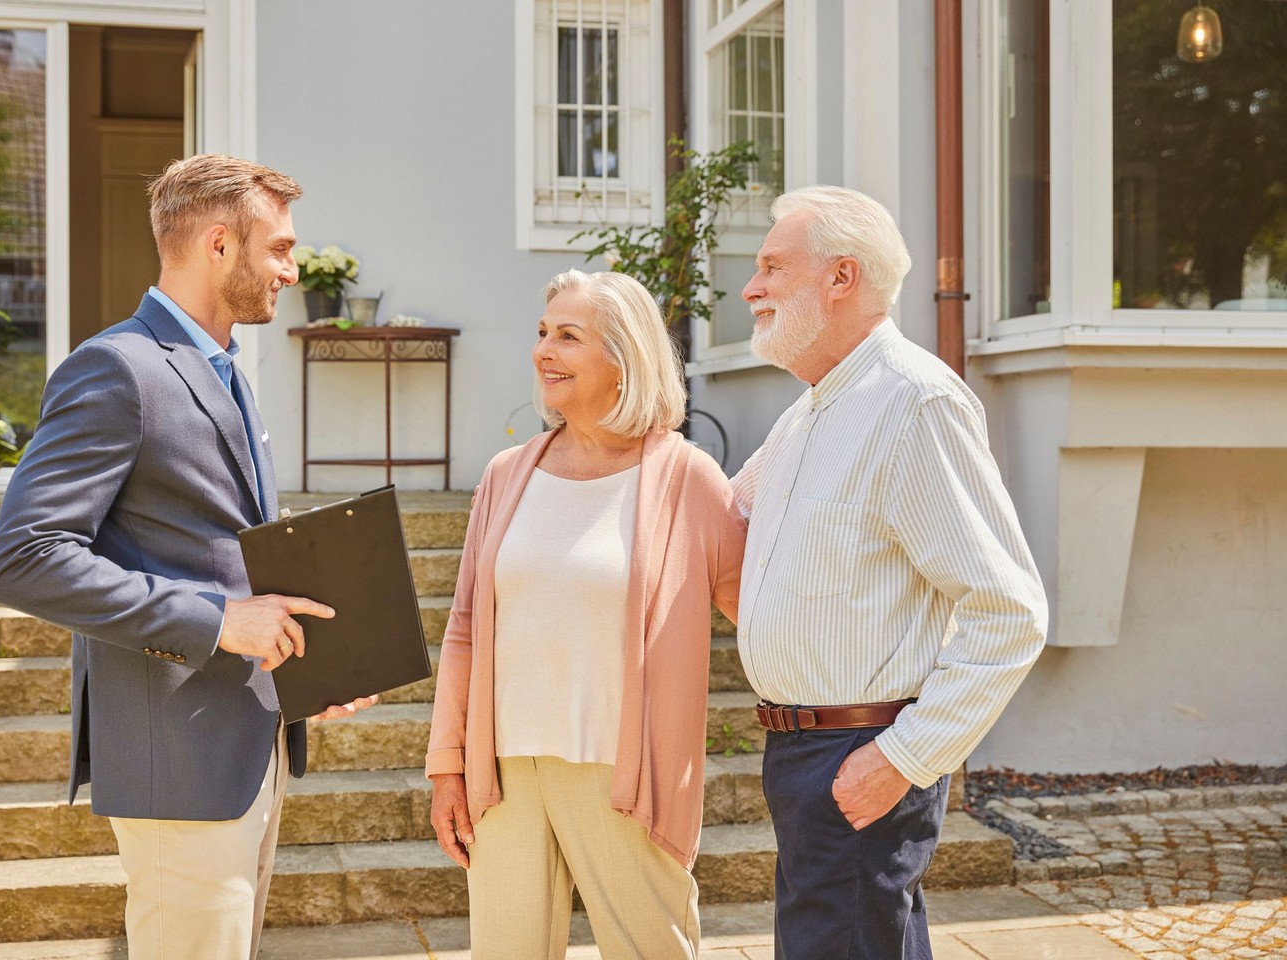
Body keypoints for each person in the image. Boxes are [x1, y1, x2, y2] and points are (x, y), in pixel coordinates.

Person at [0, 154, 376, 960]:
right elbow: (25, 555)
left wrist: (315, 668)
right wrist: (217, 619)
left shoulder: (224, 370)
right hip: (180, 759)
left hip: (249, 737)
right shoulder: (118, 368)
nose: (292, 270)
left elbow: (229, 550)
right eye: (279, 249)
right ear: (220, 245)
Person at [731, 185, 1048, 960]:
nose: (751, 288)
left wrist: (902, 759)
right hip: (802, 753)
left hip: (858, 753)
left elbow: (1010, 610)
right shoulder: (808, 412)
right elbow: (723, 520)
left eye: (773, 266)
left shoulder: (913, 401)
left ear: (842, 278)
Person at [426, 269, 746, 959]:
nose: (544, 351)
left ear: (625, 358)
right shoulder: (507, 474)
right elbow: (463, 631)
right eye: (542, 333)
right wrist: (447, 767)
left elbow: (761, 611)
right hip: (506, 778)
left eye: (569, 337)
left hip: (624, 780)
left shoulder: (687, 480)